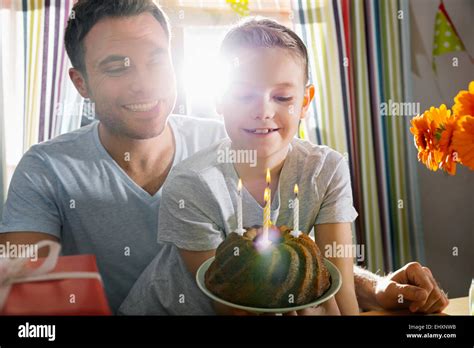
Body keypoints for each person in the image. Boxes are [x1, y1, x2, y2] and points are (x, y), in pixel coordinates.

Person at [0, 0, 448, 315]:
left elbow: (286, 268)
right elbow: (21, 298)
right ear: (80, 82)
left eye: (156, 60)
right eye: (117, 66)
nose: (144, 84)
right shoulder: (45, 170)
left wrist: (377, 287)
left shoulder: (241, 138)